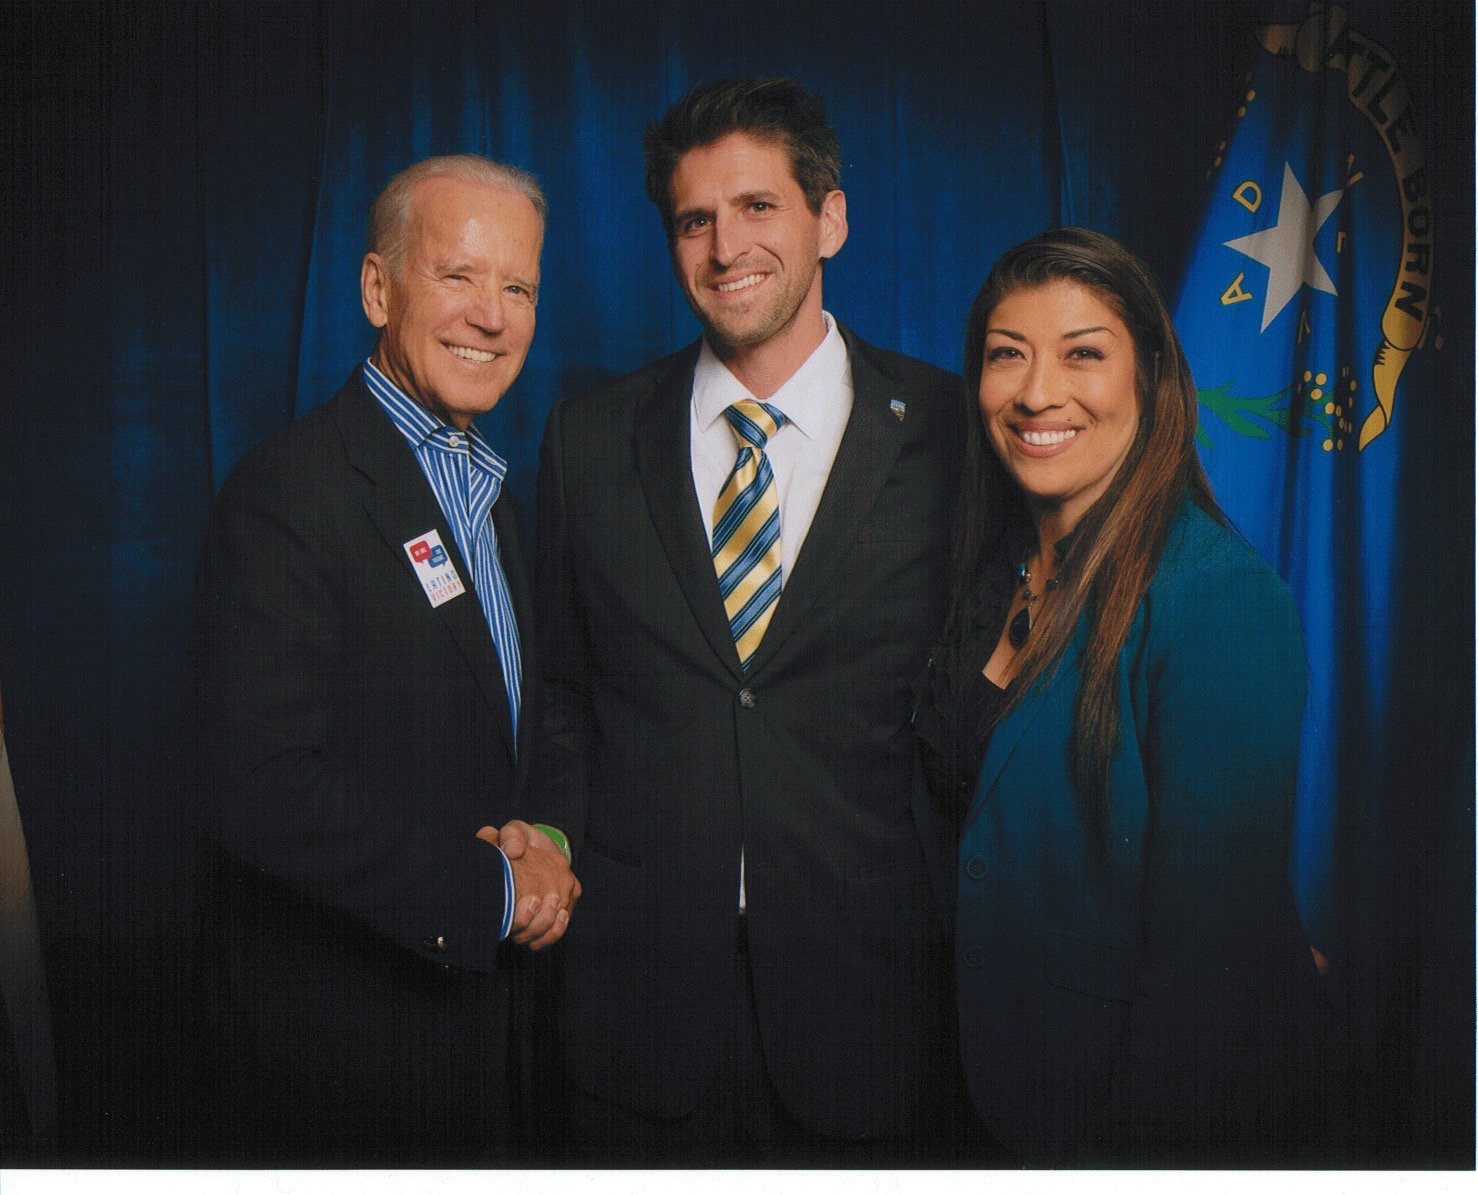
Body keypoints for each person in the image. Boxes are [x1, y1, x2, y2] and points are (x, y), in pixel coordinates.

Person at [534, 77, 966, 1163]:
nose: (724, 247)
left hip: (870, 1003)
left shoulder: (955, 437)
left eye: (757, 207)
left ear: (829, 218)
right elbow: (561, 693)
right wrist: (548, 843)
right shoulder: (587, 441)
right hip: (635, 1010)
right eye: (694, 219)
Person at [191, 155, 579, 1163]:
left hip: (482, 1056)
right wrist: (490, 891)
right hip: (344, 1073)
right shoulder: (291, 490)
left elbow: (505, 743)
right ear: (376, 288)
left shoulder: (491, 497)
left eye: (518, 287)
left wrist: (542, 837)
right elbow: (259, 785)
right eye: (458, 275)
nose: (491, 316)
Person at [914, 227, 1329, 1164]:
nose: (1035, 393)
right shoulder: (994, 575)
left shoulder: (1214, 596)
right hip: (978, 1101)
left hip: (1123, 1125)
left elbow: (1206, 988)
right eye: (1005, 355)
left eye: (1083, 354)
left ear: (1151, 378)